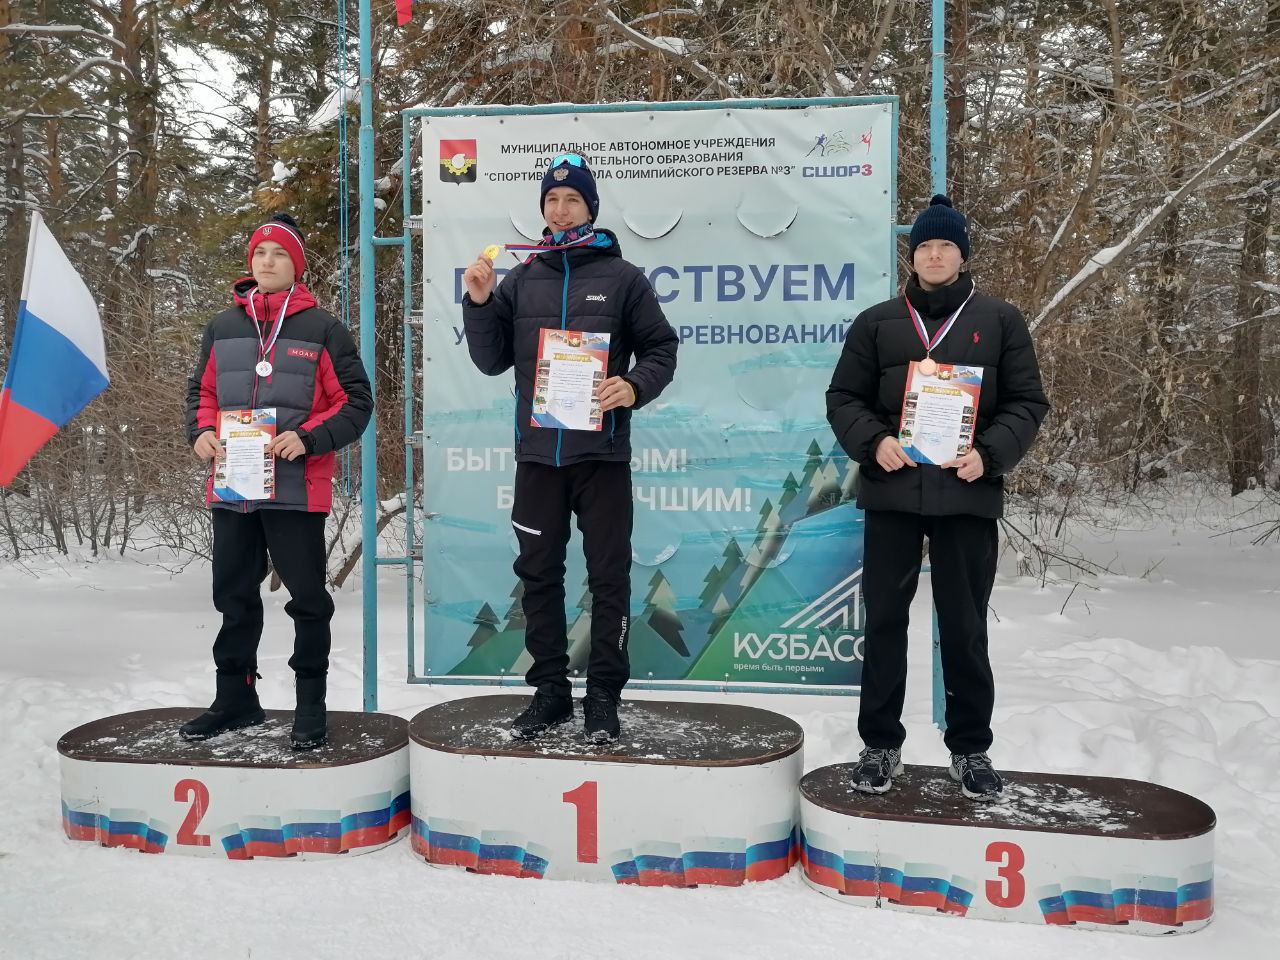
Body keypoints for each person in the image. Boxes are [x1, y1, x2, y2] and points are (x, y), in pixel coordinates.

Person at [826, 195, 1049, 798]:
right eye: (924, 245)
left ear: (962, 255)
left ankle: (971, 749)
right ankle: (879, 744)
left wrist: (990, 455)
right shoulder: (876, 321)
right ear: (912, 254)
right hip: (893, 494)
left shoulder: (1000, 320)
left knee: (964, 625)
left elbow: (1028, 403)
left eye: (945, 245)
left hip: (967, 496)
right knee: (885, 625)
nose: (933, 254)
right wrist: (874, 443)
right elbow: (843, 398)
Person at [460, 153, 678, 743]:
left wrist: (632, 386)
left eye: (572, 200)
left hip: (601, 457)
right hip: (538, 458)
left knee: (608, 578)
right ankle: (551, 691)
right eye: (551, 201)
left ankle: (603, 693)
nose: (560, 210)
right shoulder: (521, 279)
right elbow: (489, 361)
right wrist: (479, 303)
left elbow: (662, 350)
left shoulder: (623, 278)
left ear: (590, 208)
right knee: (537, 574)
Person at [182, 213, 372, 749]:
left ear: (297, 266)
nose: (267, 262)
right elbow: (201, 394)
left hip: (296, 487)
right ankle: (235, 699)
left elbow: (356, 403)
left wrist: (309, 438)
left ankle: (310, 705)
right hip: (234, 488)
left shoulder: (323, 329)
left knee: (308, 599)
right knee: (235, 597)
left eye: (279, 254)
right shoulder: (223, 327)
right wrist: (199, 433)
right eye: (260, 253)